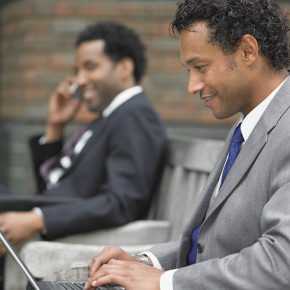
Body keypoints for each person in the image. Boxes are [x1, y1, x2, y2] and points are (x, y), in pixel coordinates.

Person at [84, 0, 290, 289]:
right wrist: (147, 263)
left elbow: (281, 263)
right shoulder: (245, 127)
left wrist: (164, 282)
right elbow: (209, 244)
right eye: (189, 70)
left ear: (248, 50)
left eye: (200, 67)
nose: (192, 86)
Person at [0, 21, 167, 246]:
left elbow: (122, 202)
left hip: (71, 239)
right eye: (77, 71)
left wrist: (38, 219)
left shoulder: (134, 115)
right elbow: (53, 189)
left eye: (90, 67)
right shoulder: (111, 117)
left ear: (124, 68)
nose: (79, 80)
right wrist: (55, 126)